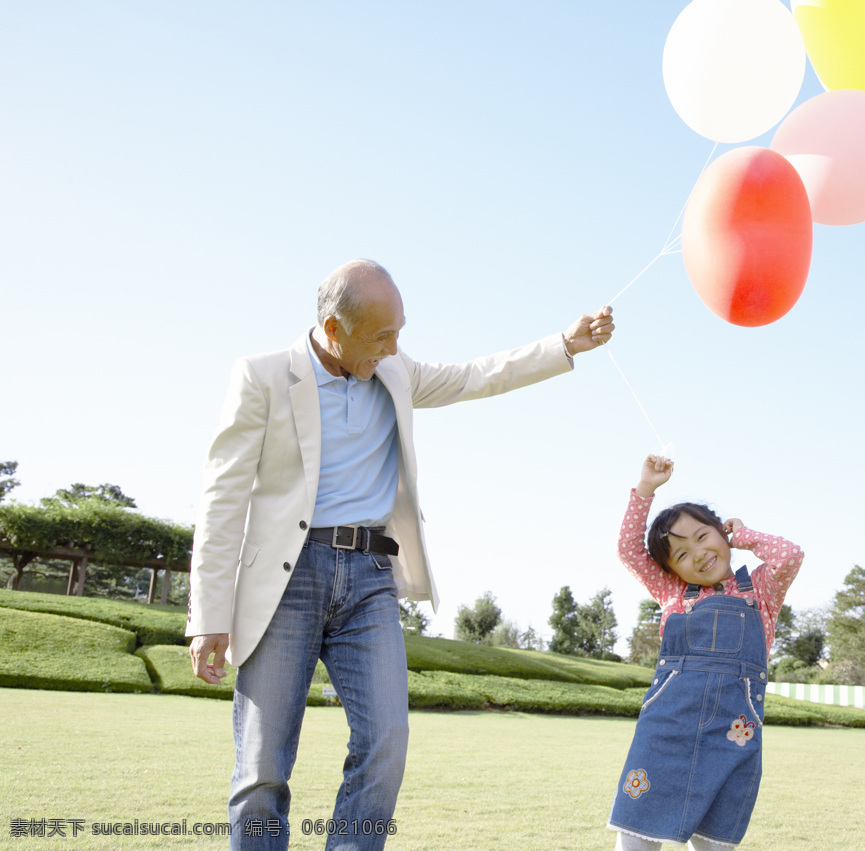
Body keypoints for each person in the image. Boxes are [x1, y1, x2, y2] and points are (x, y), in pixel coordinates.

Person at [185, 258, 614, 850]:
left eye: (399, 331)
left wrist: (564, 344)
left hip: (370, 578)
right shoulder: (261, 377)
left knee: (385, 745)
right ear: (334, 329)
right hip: (288, 581)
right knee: (262, 766)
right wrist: (208, 616)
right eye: (382, 335)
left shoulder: (395, 370)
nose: (394, 348)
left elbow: (474, 376)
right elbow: (222, 501)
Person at [608, 454, 803, 851]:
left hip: (732, 731)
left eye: (703, 536)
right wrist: (645, 489)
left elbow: (790, 555)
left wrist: (744, 534)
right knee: (639, 830)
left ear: (721, 532)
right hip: (667, 727)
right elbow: (629, 551)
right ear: (672, 571)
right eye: (680, 554)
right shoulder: (673, 594)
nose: (697, 553)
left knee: (716, 838)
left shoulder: (761, 591)